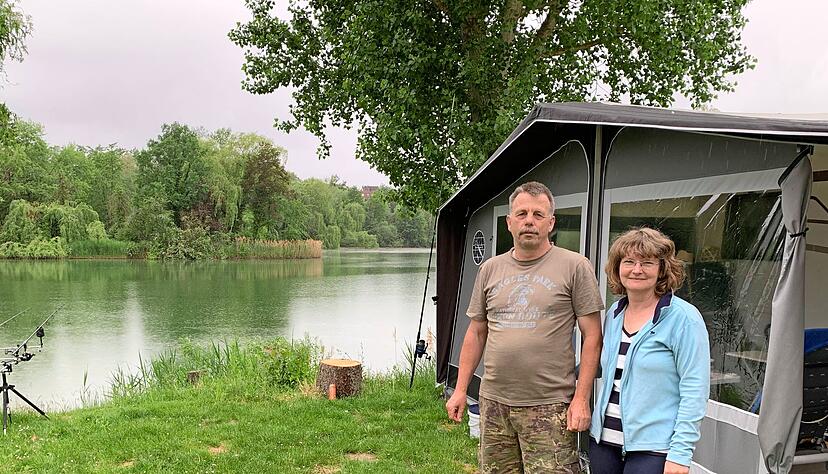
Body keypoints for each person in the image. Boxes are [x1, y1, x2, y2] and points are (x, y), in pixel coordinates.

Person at [445, 181, 604, 473]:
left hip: (550, 405)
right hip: (494, 402)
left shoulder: (575, 266)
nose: (529, 221)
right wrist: (460, 390)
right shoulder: (490, 269)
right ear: (509, 222)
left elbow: (593, 336)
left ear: (551, 223)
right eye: (521, 214)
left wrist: (581, 399)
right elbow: (476, 332)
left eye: (538, 214)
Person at [589, 228, 710, 474]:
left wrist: (680, 453)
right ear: (617, 267)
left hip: (654, 449)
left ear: (662, 269)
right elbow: (610, 367)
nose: (637, 269)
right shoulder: (614, 314)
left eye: (647, 263)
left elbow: (695, 390)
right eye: (629, 262)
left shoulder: (684, 318)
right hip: (604, 443)